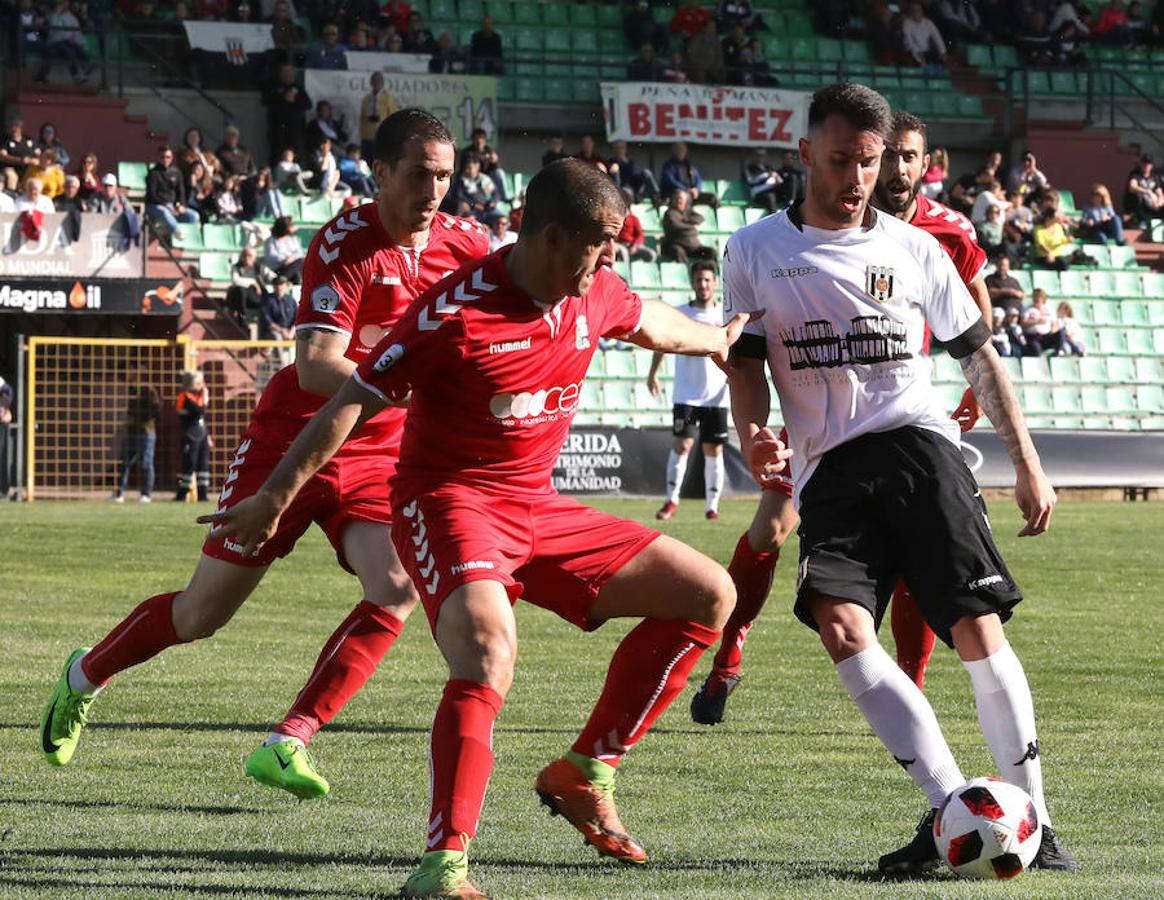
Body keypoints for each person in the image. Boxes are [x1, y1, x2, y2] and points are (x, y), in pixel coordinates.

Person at [198, 158, 754, 899]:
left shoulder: (593, 290)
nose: (609, 259)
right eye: (599, 244)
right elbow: (350, 400)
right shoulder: (453, 314)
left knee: (709, 593)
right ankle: (444, 864)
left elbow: (649, 319)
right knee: (490, 650)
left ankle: (587, 770)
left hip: (535, 505)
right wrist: (274, 495)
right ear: (552, 238)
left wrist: (713, 338)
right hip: (448, 502)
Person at [38, 110, 490, 810]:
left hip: (377, 449)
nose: (434, 190)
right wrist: (413, 383)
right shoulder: (343, 242)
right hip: (292, 438)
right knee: (200, 615)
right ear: (380, 172)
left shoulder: (468, 244)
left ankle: (290, 737)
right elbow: (315, 366)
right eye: (419, 174)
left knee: (396, 584)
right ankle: (84, 676)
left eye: (445, 176)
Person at [720, 81, 1076, 876]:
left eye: (869, 162)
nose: (856, 178)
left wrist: (1027, 463)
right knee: (843, 628)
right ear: (805, 152)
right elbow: (745, 362)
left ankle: (1037, 820)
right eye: (840, 159)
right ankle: (954, 811)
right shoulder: (752, 249)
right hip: (827, 471)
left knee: (974, 626)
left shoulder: (916, 249)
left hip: (919, 450)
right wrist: (753, 433)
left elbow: (978, 356)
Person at [649, 261, 730, 522]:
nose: (703, 284)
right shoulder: (681, 313)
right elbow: (662, 343)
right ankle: (671, 501)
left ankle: (712, 507)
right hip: (686, 394)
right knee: (682, 444)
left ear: (714, 282)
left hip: (717, 394)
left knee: (713, 450)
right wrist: (653, 374)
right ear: (692, 283)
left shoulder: (724, 314)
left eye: (707, 280)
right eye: (698, 280)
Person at [112, 377, 159, 503]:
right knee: (125, 463)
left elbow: (156, 409)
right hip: (133, 432)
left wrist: (139, 420)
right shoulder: (132, 390)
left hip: (146, 432)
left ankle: (146, 494)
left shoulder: (149, 390)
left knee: (146, 463)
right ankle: (119, 494)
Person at [145, 144, 198, 238]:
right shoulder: (153, 173)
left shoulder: (176, 172)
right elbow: (152, 195)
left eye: (168, 157)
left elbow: (181, 192)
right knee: (164, 212)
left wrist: (181, 205)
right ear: (158, 157)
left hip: (173, 206)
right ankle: (177, 231)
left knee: (193, 216)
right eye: (162, 157)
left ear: (172, 158)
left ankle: (190, 238)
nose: (165, 160)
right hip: (155, 206)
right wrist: (166, 205)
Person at [175, 370, 211, 502]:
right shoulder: (185, 396)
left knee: (203, 464)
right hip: (190, 434)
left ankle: (203, 495)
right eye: (200, 383)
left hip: (201, 434)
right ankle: (182, 494)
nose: (202, 386)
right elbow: (199, 411)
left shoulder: (198, 397)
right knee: (189, 463)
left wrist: (208, 436)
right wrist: (206, 398)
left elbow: (201, 418)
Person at [37, 0, 93, 84]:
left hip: (67, 44)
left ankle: (85, 67)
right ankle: (79, 72)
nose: (62, 5)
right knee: (65, 48)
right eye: (60, 3)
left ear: (67, 4)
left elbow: (76, 33)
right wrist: (56, 13)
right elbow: (53, 26)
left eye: (64, 2)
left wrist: (82, 44)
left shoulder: (72, 17)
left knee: (74, 47)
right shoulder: (51, 15)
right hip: (54, 43)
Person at [661, 189, 716, 264]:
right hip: (678, 244)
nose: (679, 201)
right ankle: (685, 269)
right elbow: (675, 225)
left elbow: (700, 218)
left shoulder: (688, 211)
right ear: (673, 200)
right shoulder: (669, 213)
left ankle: (708, 269)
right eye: (677, 198)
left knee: (711, 252)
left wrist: (685, 221)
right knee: (677, 251)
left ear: (685, 201)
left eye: (681, 199)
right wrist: (692, 227)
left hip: (695, 247)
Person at [660, 142, 719, 208]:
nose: (681, 152)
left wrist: (696, 189)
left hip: (692, 194)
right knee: (682, 196)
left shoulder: (689, 165)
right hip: (676, 195)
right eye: (678, 150)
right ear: (674, 151)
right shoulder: (669, 166)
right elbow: (670, 181)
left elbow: (698, 179)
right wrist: (686, 189)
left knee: (713, 198)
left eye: (682, 150)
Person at [359, 71, 397, 161]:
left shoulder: (389, 98)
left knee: (380, 160)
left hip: (382, 136)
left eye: (378, 80)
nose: (376, 83)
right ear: (371, 82)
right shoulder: (366, 98)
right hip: (368, 136)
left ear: (382, 82)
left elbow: (393, 117)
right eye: (374, 80)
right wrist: (362, 134)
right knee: (367, 160)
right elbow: (362, 118)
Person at [226, 246, 268, 325]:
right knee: (241, 289)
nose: (247, 258)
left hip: (256, 296)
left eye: (250, 256)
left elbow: (272, 277)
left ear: (255, 258)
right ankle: (242, 316)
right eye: (244, 255)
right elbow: (235, 281)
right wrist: (253, 282)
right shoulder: (236, 267)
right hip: (241, 298)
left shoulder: (260, 268)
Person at [614, 188, 656, 264]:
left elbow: (640, 235)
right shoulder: (614, 218)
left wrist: (635, 245)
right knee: (623, 252)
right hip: (619, 244)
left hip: (632, 244)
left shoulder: (634, 219)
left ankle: (646, 269)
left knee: (651, 254)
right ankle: (625, 270)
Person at [902, 1, 948, 71]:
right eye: (913, 10)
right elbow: (908, 41)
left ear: (922, 11)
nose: (916, 12)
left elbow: (937, 38)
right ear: (910, 12)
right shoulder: (907, 23)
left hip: (926, 53)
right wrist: (917, 54)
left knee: (939, 60)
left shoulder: (928, 22)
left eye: (918, 10)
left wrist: (943, 52)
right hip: (912, 53)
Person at [1124, 153, 1162, 228]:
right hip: (1137, 205)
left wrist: (1158, 203)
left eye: (1148, 163)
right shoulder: (1135, 174)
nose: (1146, 165)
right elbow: (1132, 187)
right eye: (1144, 163)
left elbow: (1160, 193)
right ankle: (1140, 221)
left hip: (1152, 205)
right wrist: (1147, 192)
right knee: (1139, 196)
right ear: (1141, 164)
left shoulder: (1155, 176)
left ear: (1151, 165)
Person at [742, 147, 784, 214]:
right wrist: (766, 175)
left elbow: (779, 180)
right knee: (770, 196)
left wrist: (777, 179)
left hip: (772, 190)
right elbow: (751, 181)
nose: (760, 157)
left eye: (762, 155)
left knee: (785, 194)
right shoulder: (749, 168)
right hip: (758, 193)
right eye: (758, 155)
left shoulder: (769, 167)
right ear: (753, 156)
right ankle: (774, 217)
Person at [263, 215, 305, 281]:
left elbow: (300, 252)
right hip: (279, 268)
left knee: (302, 262)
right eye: (290, 225)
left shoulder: (293, 239)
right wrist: (286, 259)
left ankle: (285, 279)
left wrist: (292, 258)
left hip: (293, 265)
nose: (292, 227)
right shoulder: (270, 241)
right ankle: (283, 279)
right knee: (299, 264)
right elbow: (272, 255)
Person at [1021, 287, 1059, 355]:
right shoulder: (1027, 309)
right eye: (1035, 296)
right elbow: (1023, 324)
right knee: (1037, 352)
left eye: (1039, 297)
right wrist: (1036, 321)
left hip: (1046, 336)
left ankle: (1058, 352)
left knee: (1061, 333)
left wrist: (1052, 331)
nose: (1037, 299)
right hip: (1033, 336)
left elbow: (1055, 324)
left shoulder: (1049, 309)